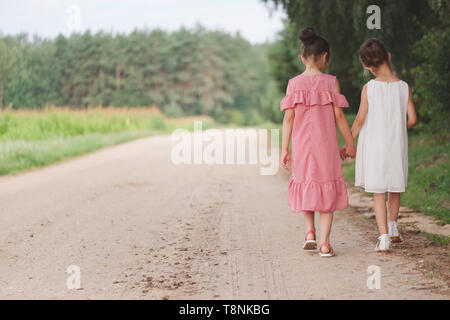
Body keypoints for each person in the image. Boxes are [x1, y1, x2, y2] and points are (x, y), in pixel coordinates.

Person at [280, 27, 356, 258]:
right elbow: (340, 116)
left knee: (305, 185)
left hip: (302, 146)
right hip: (326, 147)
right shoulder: (331, 82)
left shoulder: (293, 84)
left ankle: (310, 232)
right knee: (326, 191)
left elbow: (288, 119)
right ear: (325, 57)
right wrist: (350, 143)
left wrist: (284, 148)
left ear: (302, 57)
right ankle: (324, 244)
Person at [343, 38, 417, 252]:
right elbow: (412, 119)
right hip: (396, 146)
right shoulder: (404, 88)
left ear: (368, 66)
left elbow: (359, 120)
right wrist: (397, 126)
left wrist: (349, 143)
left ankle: (383, 237)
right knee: (395, 187)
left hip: (375, 147)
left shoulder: (369, 88)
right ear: (389, 57)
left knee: (378, 193)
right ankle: (393, 227)